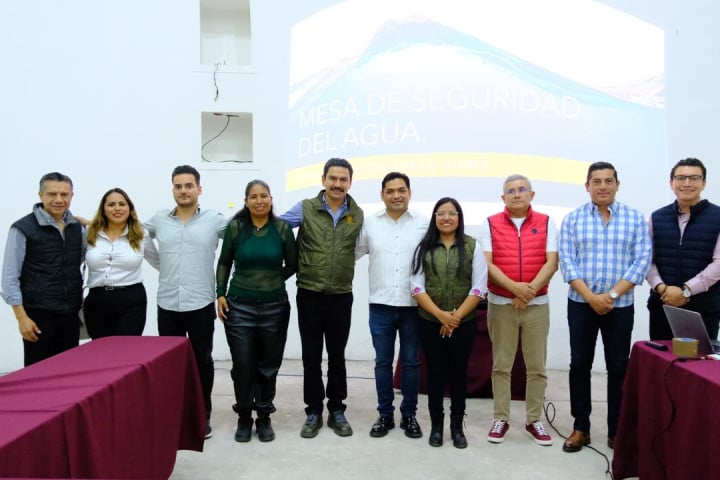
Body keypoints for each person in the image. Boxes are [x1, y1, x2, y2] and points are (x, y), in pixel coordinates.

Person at [558, 162, 651, 452]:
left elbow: (641, 261)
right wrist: (591, 297)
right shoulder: (573, 219)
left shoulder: (635, 219)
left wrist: (609, 295)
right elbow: (568, 262)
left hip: (620, 306)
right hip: (581, 304)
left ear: (617, 185)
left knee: (619, 367)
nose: (602, 186)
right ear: (587, 186)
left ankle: (617, 430)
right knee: (580, 365)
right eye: (596, 181)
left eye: (608, 181)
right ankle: (580, 427)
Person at [280, 157, 364, 439]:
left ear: (350, 182)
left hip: (341, 295)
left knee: (337, 357)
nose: (338, 184)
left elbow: (360, 247)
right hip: (310, 294)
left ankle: (337, 410)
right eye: (333, 178)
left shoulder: (358, 213)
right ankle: (314, 411)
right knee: (311, 357)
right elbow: (276, 228)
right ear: (323, 180)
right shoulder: (305, 208)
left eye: (343, 179)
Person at [145, 165, 227, 439]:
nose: (183, 190)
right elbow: (132, 232)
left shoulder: (215, 220)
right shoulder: (158, 220)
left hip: (201, 303)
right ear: (173, 189)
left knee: (202, 362)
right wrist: (164, 266)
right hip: (168, 304)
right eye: (178, 186)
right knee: (172, 365)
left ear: (199, 189)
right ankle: (175, 416)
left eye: (188, 185)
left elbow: (241, 239)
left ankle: (202, 416)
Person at [479, 174, 558, 446]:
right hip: (501, 304)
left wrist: (529, 291)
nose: (517, 194)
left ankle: (534, 420)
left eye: (522, 189)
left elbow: (552, 262)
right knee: (501, 366)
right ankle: (500, 418)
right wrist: (515, 289)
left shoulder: (547, 222)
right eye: (510, 191)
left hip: (536, 305)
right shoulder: (489, 223)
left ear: (532, 195)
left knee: (536, 367)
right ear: (503, 198)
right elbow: (487, 264)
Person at [216, 180, 297, 443]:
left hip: (275, 308)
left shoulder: (283, 229)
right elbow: (224, 262)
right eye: (253, 196)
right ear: (246, 200)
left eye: (264, 196)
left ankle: (263, 416)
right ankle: (243, 416)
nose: (259, 200)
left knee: (268, 365)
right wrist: (220, 293)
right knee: (242, 365)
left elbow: (292, 264)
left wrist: (272, 280)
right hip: (239, 307)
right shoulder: (236, 227)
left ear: (271, 199)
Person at [410, 197, 488, 449]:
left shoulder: (472, 246)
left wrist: (454, 318)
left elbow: (478, 287)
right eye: (441, 213)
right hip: (430, 321)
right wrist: (441, 316)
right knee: (434, 373)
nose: (446, 217)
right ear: (434, 218)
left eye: (451, 213)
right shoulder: (424, 247)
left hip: (463, 323)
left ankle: (456, 427)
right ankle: (436, 426)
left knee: (458, 373)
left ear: (459, 217)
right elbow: (417, 286)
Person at [355, 172, 428, 439]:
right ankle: (384, 414)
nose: (396, 195)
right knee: (383, 362)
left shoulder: (423, 223)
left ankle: (409, 415)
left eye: (401, 190)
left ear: (410, 192)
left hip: (414, 305)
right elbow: (353, 253)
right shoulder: (369, 224)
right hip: (381, 305)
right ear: (382, 194)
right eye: (390, 191)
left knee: (410, 362)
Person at [2, 172, 84, 366]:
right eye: (52, 194)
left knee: (68, 373)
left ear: (72, 196)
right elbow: (9, 277)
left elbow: (78, 262)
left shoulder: (77, 228)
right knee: (39, 376)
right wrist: (22, 318)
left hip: (70, 314)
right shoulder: (22, 228)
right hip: (37, 316)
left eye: (64, 194)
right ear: (40, 196)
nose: (58, 199)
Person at [646, 158, 720, 340]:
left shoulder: (717, 216)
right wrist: (662, 289)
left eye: (694, 178)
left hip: (703, 309)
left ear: (703, 183)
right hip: (662, 306)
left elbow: (719, 263)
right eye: (680, 178)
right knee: (661, 362)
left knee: (697, 365)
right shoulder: (657, 217)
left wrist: (686, 291)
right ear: (671, 183)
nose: (687, 183)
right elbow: (646, 259)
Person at [84, 188, 159, 338]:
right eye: (111, 204)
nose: (117, 208)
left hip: (131, 301)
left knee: (126, 352)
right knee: (100, 352)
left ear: (130, 209)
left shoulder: (141, 234)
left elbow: (159, 262)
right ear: (103, 209)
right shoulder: (89, 233)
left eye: (122, 204)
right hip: (97, 301)